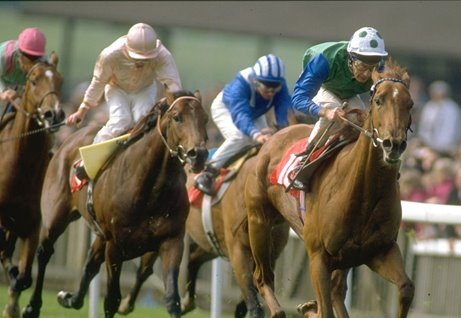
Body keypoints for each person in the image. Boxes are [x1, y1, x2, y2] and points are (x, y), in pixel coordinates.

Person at [66, 22, 182, 179]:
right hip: (117, 89)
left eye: (146, 58)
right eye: (137, 58)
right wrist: (83, 109)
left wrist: (173, 102)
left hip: (145, 89)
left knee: (143, 121)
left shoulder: (163, 55)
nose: (141, 62)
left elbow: (173, 83)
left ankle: (139, 162)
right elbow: (98, 83)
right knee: (121, 120)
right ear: (127, 48)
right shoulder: (110, 55)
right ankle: (88, 161)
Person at [288, 26, 389, 190]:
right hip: (325, 87)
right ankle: (302, 164)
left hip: (349, 93)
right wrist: (325, 112)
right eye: (362, 67)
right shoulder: (324, 60)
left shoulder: (380, 67)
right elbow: (298, 99)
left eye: (372, 69)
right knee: (334, 116)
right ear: (350, 58)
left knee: (362, 122)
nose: (366, 75)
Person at [194, 54, 291, 195]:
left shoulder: (279, 86)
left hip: (254, 113)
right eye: (267, 87)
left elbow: (283, 111)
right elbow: (240, 114)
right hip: (226, 108)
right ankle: (208, 172)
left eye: (275, 87)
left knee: (267, 142)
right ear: (256, 81)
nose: (271, 92)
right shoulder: (242, 83)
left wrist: (281, 129)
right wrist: (256, 134)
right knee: (240, 137)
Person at [0, 27, 47, 107]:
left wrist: (19, 92)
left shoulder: (44, 63)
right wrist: (2, 93)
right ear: (20, 52)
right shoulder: (3, 55)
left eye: (35, 58)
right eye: (29, 57)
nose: (32, 63)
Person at [416, 80, 461, 155]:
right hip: (427, 145)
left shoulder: (452, 108)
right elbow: (424, 126)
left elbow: (450, 129)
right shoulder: (429, 107)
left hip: (445, 147)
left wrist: (441, 146)